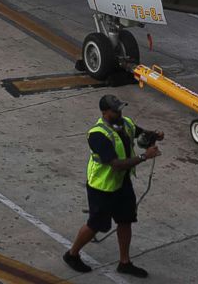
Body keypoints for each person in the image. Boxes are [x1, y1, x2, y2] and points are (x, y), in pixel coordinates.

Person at [63, 95, 163, 279]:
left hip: (122, 183)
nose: (120, 112)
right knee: (95, 224)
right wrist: (144, 157)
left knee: (125, 220)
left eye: (120, 109)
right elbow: (115, 164)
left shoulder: (125, 123)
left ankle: (124, 263)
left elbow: (139, 132)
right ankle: (72, 254)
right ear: (105, 112)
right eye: (115, 110)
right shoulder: (97, 135)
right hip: (102, 187)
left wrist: (153, 135)